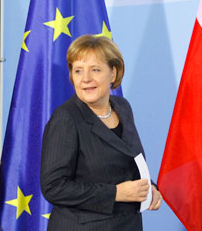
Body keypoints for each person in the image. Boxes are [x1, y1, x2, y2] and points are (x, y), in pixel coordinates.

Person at [40, 35, 162, 230]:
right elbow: (54, 187)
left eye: (95, 70)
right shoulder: (66, 118)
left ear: (113, 74)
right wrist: (115, 193)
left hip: (127, 224)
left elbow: (129, 163)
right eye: (78, 71)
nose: (86, 79)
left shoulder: (123, 108)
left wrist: (150, 188)